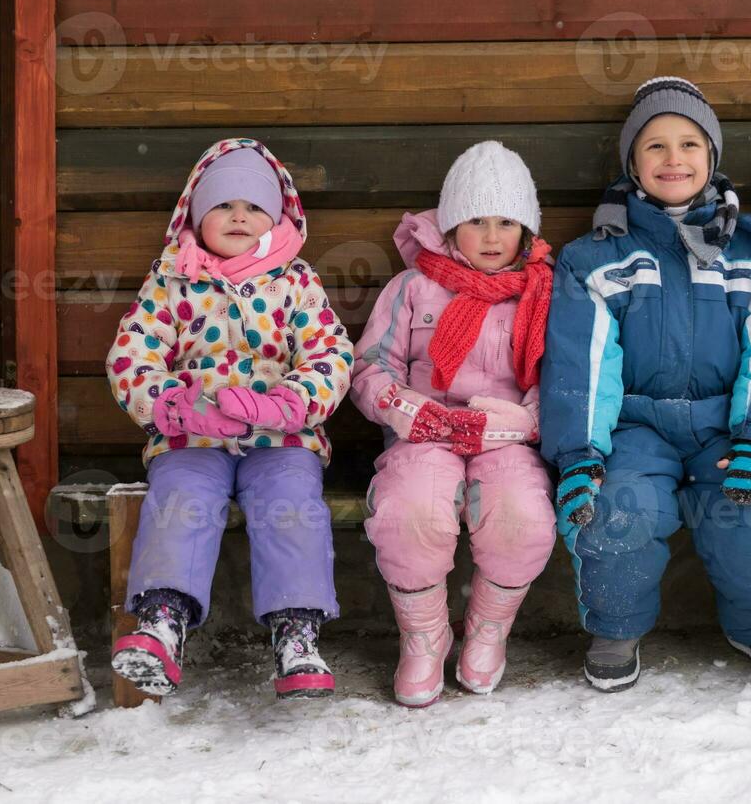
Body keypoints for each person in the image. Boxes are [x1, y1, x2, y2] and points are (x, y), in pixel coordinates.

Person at [540, 76, 751, 692]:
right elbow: (583, 361)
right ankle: (615, 626)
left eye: (689, 143)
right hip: (635, 425)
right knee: (614, 510)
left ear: (711, 158)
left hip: (726, 425)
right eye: (654, 146)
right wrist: (581, 453)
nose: (673, 159)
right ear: (632, 162)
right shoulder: (597, 257)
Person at [106, 138, 352, 699]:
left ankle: (297, 633)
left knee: (291, 507)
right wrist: (168, 402)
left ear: (276, 217)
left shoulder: (296, 280)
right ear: (195, 214)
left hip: (282, 437)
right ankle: (162, 625)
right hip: (191, 433)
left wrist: (291, 402)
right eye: (222, 204)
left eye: (253, 206)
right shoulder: (171, 280)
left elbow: (330, 353)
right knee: (180, 501)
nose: (238, 214)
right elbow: (133, 352)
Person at [351, 141, 556, 707]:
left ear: (527, 228)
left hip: (508, 439)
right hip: (424, 434)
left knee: (523, 516)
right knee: (409, 511)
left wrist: (529, 417)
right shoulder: (413, 287)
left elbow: (564, 376)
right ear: (448, 226)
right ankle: (423, 636)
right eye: (476, 221)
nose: (492, 237)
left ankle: (489, 630)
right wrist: (405, 408)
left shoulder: (544, 293)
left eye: (506, 222)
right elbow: (370, 365)